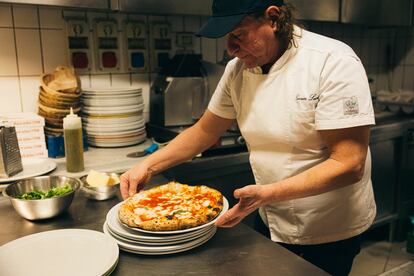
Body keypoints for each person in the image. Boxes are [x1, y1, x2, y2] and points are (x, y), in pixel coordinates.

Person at [120, 0, 376, 275]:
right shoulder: (238, 69)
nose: (230, 49)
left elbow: (349, 164)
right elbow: (205, 131)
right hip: (269, 215)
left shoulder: (332, 61)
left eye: (238, 35)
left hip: (329, 226)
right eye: (227, 37)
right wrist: (148, 165)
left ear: (274, 18)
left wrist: (265, 194)